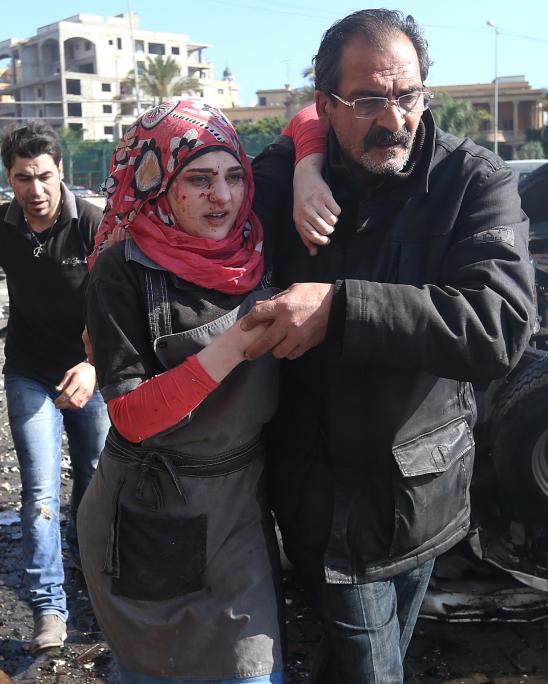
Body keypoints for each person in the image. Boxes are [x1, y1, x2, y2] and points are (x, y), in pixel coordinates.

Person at [245, 9, 537, 683]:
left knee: (365, 661)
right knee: (372, 669)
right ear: (325, 105)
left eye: (406, 96)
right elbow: (199, 221)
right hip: (317, 492)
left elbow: (499, 325)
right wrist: (303, 160)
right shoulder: (286, 175)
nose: (393, 118)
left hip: (422, 489)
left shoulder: (475, 182)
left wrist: (341, 306)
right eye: (368, 100)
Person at [78, 99, 298, 683]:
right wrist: (235, 345)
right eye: (198, 180)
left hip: (240, 504)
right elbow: (129, 414)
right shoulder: (123, 271)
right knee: (158, 673)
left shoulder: (255, 242)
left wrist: (314, 164)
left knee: (252, 672)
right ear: (156, 184)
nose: (222, 198)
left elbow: (310, 118)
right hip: (154, 506)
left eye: (232, 177)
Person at [0, 122, 110, 655]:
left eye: (44, 176)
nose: (36, 189)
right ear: (10, 179)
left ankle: (90, 564)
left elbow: (120, 307)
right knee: (40, 491)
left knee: (95, 475)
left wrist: (93, 365)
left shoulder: (92, 222)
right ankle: (49, 606)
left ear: (60, 172)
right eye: (23, 178)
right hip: (28, 370)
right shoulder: (4, 225)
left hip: (90, 370)